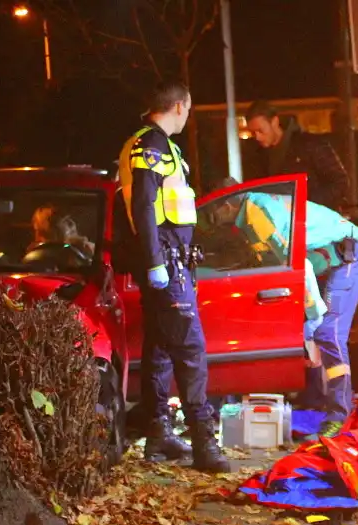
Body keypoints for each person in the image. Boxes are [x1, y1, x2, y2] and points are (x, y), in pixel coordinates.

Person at [115, 81, 229, 473]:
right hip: (167, 262)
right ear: (179, 106)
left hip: (167, 261)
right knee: (191, 351)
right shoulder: (153, 145)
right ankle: (204, 444)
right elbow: (145, 206)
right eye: (189, 109)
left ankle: (159, 435)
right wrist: (154, 262)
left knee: (160, 349)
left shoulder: (142, 142)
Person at [212, 177, 358, 428]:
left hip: (349, 254)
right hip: (327, 255)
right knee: (316, 331)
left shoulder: (257, 214)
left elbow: (298, 266)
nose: (214, 218)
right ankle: (319, 399)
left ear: (228, 205)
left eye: (215, 210)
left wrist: (314, 312)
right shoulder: (251, 213)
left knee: (328, 332)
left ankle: (339, 416)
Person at [244, 101, 351, 212]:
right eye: (253, 133)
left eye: (261, 130)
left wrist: (306, 202)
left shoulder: (309, 144)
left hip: (316, 220)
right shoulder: (257, 157)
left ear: (274, 122)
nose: (257, 137)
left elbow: (340, 182)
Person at [29, 205, 95, 257]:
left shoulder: (76, 248)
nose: (72, 224)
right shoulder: (39, 256)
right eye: (64, 221)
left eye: (70, 219)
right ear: (51, 230)